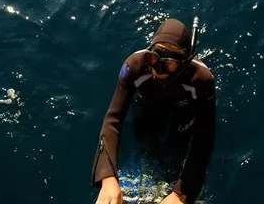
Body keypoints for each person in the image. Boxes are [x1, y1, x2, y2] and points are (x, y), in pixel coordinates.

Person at [92, 18, 216, 204]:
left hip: (185, 112)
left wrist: (180, 194)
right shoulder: (134, 65)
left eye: (169, 64)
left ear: (183, 62)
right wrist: (108, 178)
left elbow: (204, 137)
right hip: (148, 107)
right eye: (154, 59)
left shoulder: (202, 79)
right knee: (148, 147)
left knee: (177, 154)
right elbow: (113, 120)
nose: (158, 70)